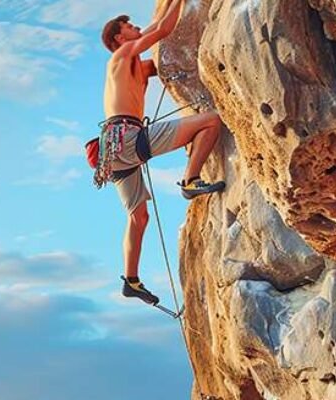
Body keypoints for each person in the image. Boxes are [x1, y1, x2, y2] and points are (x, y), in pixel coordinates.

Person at [92, 1, 226, 305]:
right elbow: (162, 29)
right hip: (127, 138)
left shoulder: (136, 67)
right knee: (212, 121)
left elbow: (164, 53)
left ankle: (131, 279)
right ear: (118, 38)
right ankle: (190, 180)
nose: (135, 27)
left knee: (138, 217)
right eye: (128, 26)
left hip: (114, 148)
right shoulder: (121, 55)